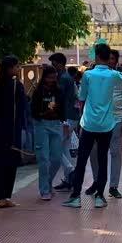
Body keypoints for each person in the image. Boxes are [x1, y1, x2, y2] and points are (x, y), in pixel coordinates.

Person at [64, 42, 122, 209]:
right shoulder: (114, 76)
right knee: (103, 159)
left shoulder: (88, 75)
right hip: (107, 124)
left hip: (89, 123)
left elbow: (82, 99)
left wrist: (83, 116)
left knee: (82, 160)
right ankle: (100, 196)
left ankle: (76, 196)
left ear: (97, 57)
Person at [87, 48, 122, 199]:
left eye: (112, 59)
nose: (110, 61)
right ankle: (97, 181)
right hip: (97, 120)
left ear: (116, 61)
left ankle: (113, 185)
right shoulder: (93, 76)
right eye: (108, 58)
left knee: (115, 153)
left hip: (116, 119)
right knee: (94, 152)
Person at [0, 56, 28, 208]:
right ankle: (5, 196)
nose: (18, 69)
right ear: (9, 68)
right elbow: (22, 107)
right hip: (12, 129)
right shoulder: (17, 85)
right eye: (17, 67)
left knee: (0, 164)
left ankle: (1, 197)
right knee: (10, 163)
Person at [31, 65, 64, 200]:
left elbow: (63, 108)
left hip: (56, 124)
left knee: (56, 158)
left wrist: (59, 113)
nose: (52, 80)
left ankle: (48, 181)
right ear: (44, 77)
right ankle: (44, 189)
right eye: (49, 77)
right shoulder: (38, 92)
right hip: (41, 125)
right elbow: (34, 112)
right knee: (43, 159)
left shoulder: (58, 91)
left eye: (54, 78)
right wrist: (45, 112)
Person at [48, 52, 80, 191]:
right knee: (64, 148)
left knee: (54, 147)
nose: (52, 66)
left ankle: (70, 170)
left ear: (60, 63)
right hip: (70, 117)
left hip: (66, 117)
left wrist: (61, 119)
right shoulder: (66, 77)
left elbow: (61, 100)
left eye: (54, 64)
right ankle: (69, 179)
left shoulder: (63, 79)